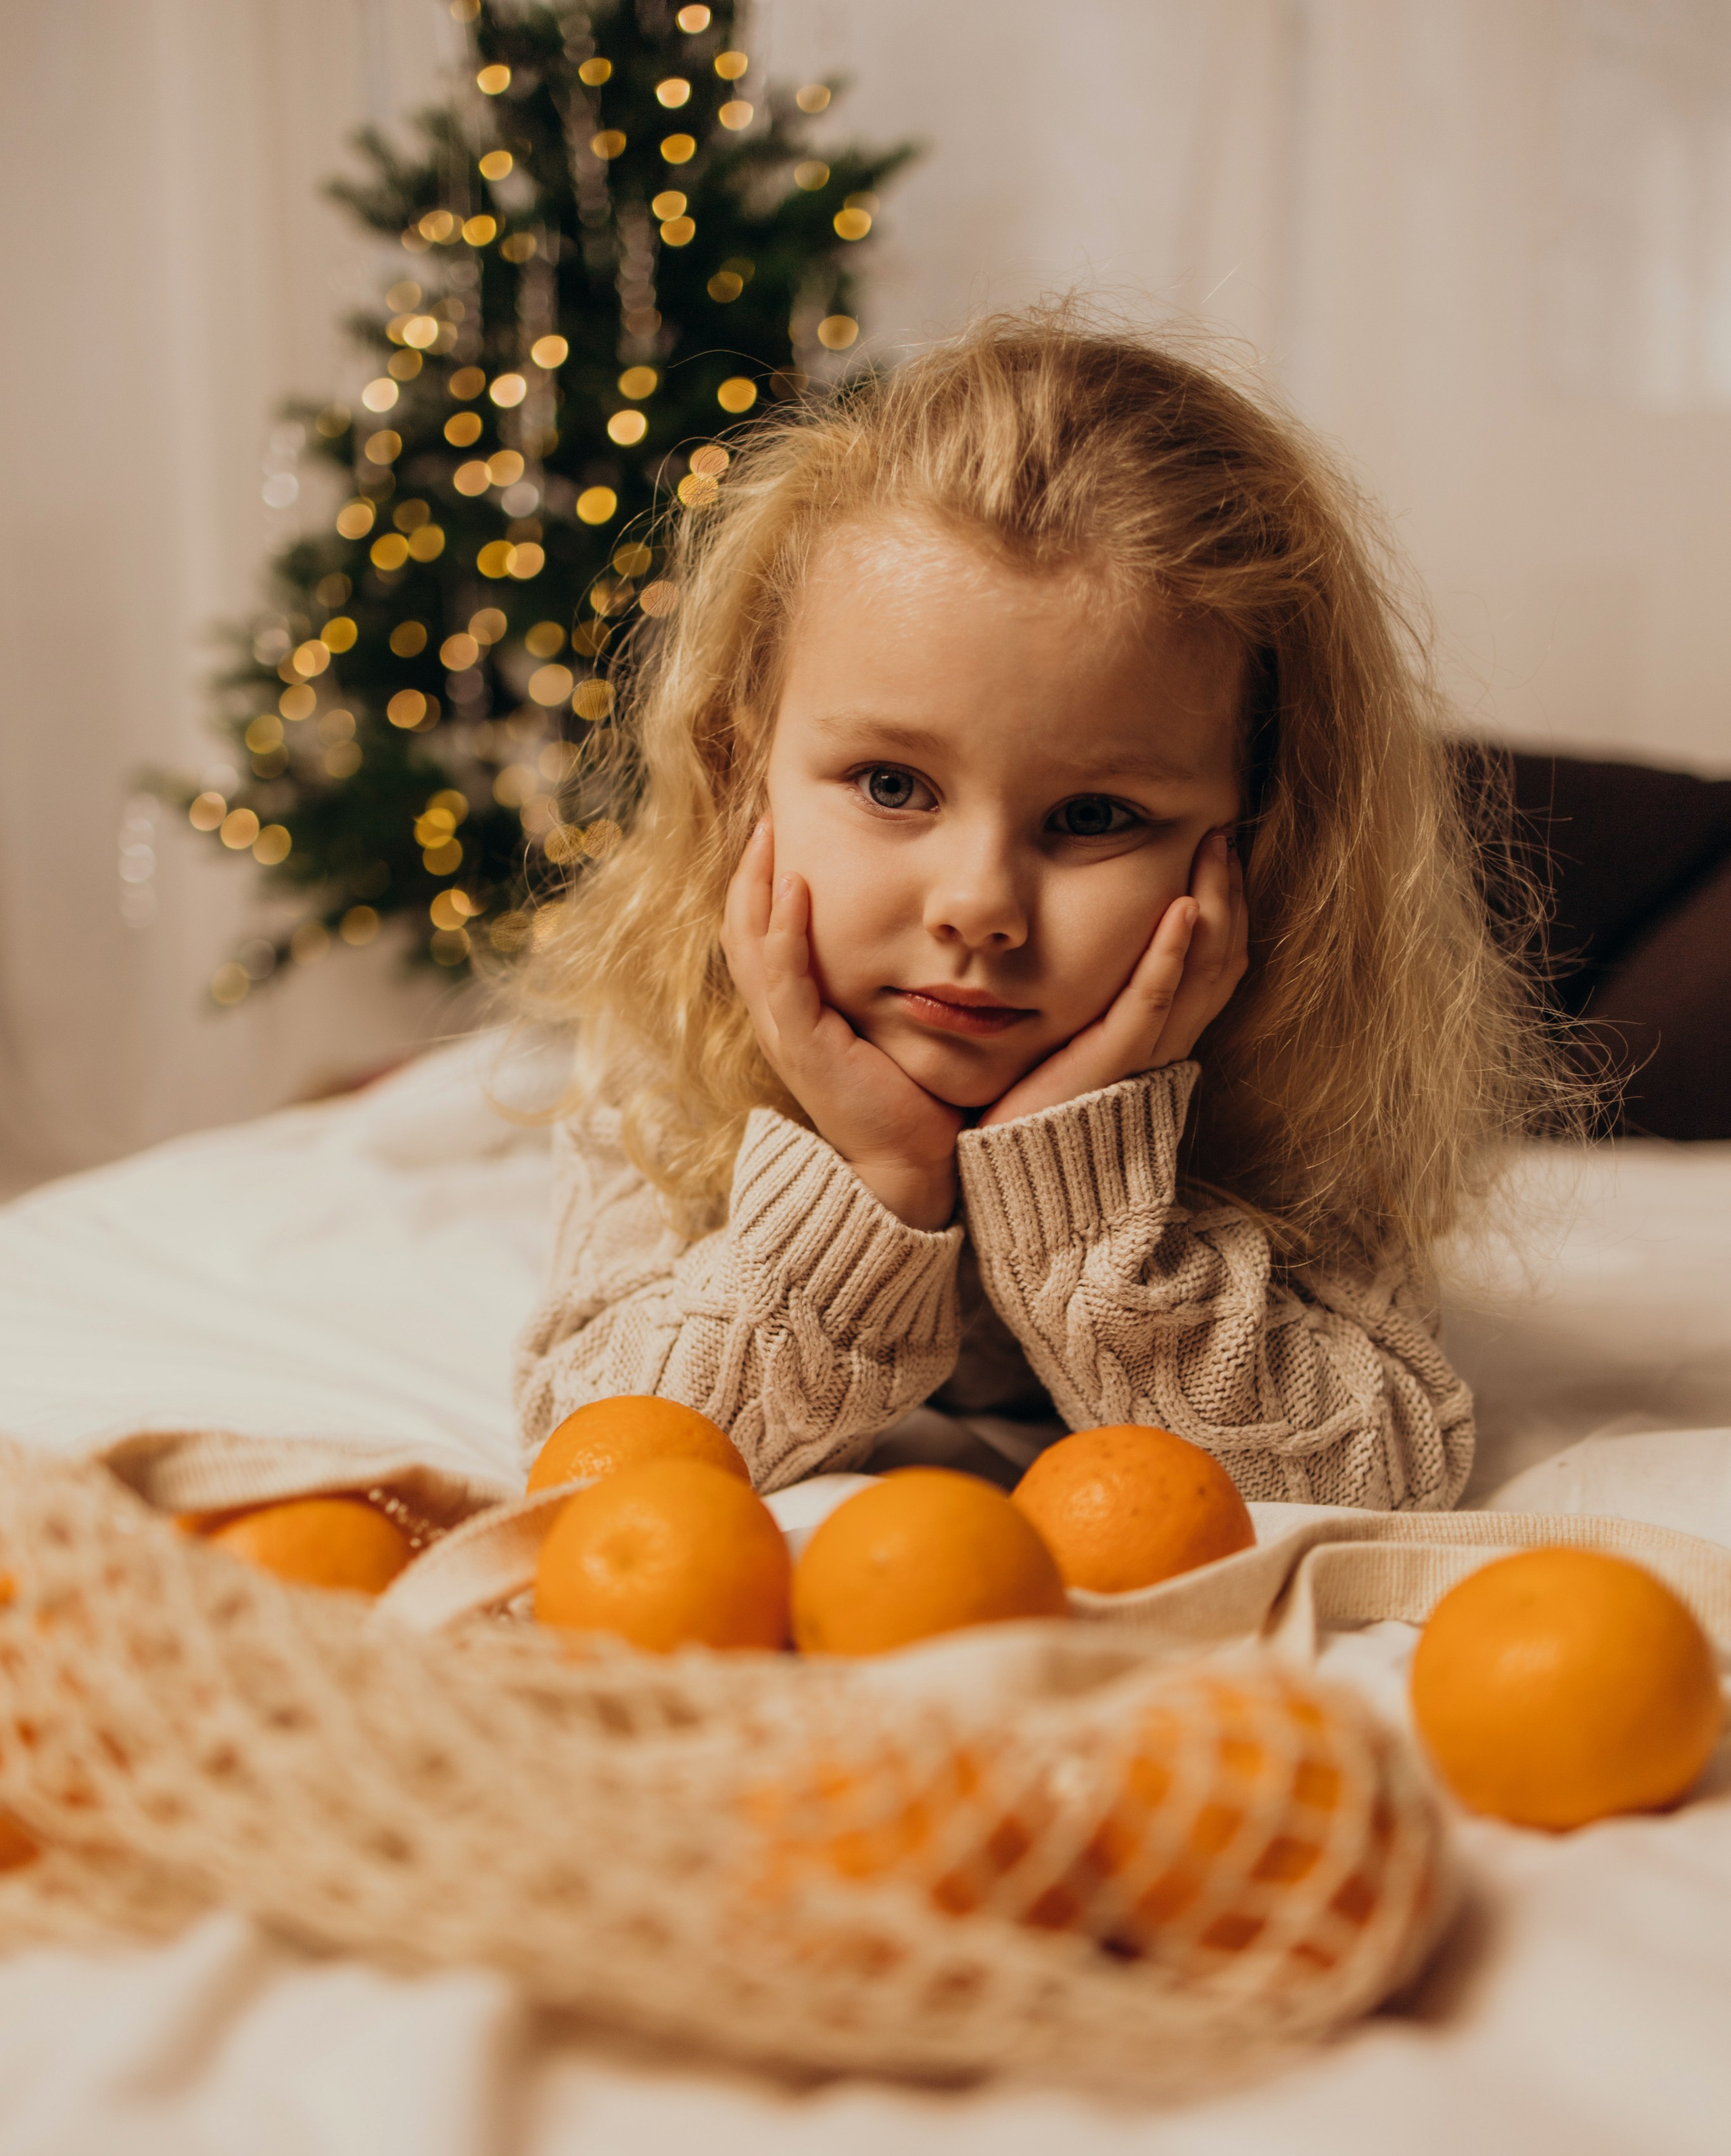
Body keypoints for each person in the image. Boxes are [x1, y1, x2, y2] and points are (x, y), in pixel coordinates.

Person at [513, 311, 1561, 1509]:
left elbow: (1375, 1469)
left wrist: (1082, 1211)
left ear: (1265, 834)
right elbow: (595, 1454)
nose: (979, 908)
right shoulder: (680, 1040)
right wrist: (877, 1177)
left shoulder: (1310, 1070)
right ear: (740, 770)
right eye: (892, 786)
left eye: (1095, 816)